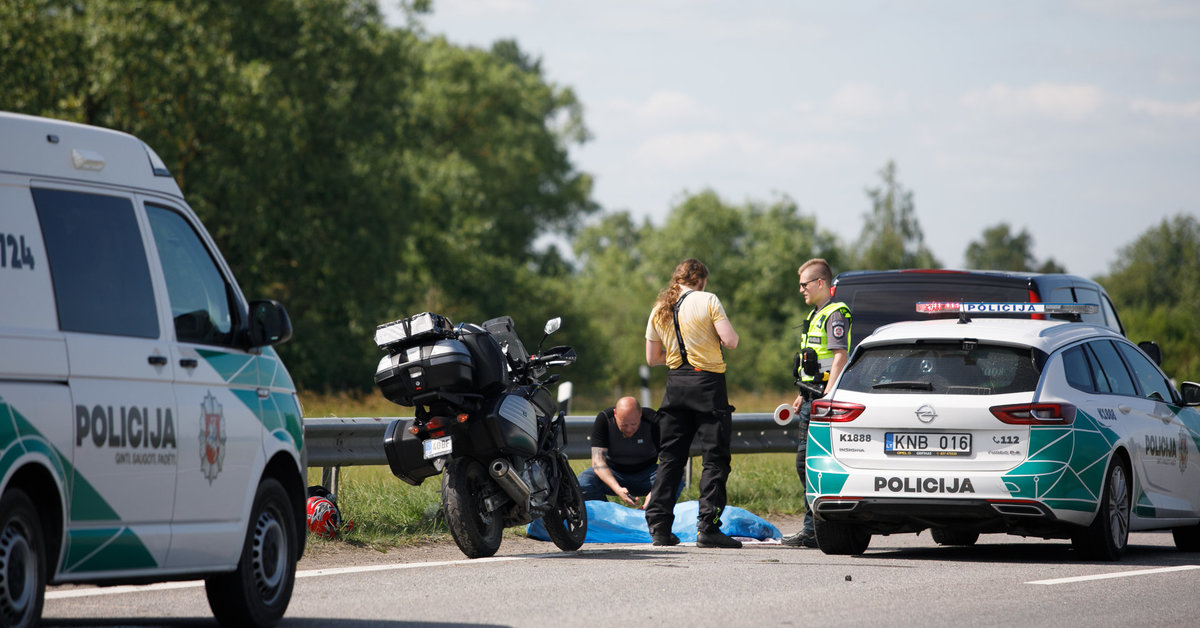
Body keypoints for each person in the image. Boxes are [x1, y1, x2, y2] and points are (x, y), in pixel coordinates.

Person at [643, 258, 742, 549]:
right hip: (708, 384)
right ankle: (708, 528)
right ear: (701, 280)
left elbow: (652, 358)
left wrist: (678, 356)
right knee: (714, 459)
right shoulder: (707, 300)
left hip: (676, 385)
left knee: (671, 459)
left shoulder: (659, 308)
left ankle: (660, 528)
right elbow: (731, 341)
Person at [781, 258, 851, 548]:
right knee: (804, 464)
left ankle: (814, 529)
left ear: (820, 283)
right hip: (810, 395)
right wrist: (802, 393)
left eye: (804, 285)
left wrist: (828, 398)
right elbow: (815, 362)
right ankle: (814, 527)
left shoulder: (835, 313)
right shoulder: (816, 314)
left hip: (822, 399)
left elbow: (839, 357)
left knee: (809, 464)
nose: (801, 290)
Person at [577, 397, 668, 507]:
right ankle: (607, 514)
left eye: (633, 424)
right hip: (613, 472)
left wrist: (655, 492)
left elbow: (667, 460)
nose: (629, 429)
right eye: (624, 424)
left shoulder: (652, 419)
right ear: (615, 415)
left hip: (648, 474)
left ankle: (654, 513)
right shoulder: (605, 419)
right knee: (582, 483)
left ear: (640, 414)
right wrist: (617, 489)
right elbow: (598, 462)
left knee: (674, 479)